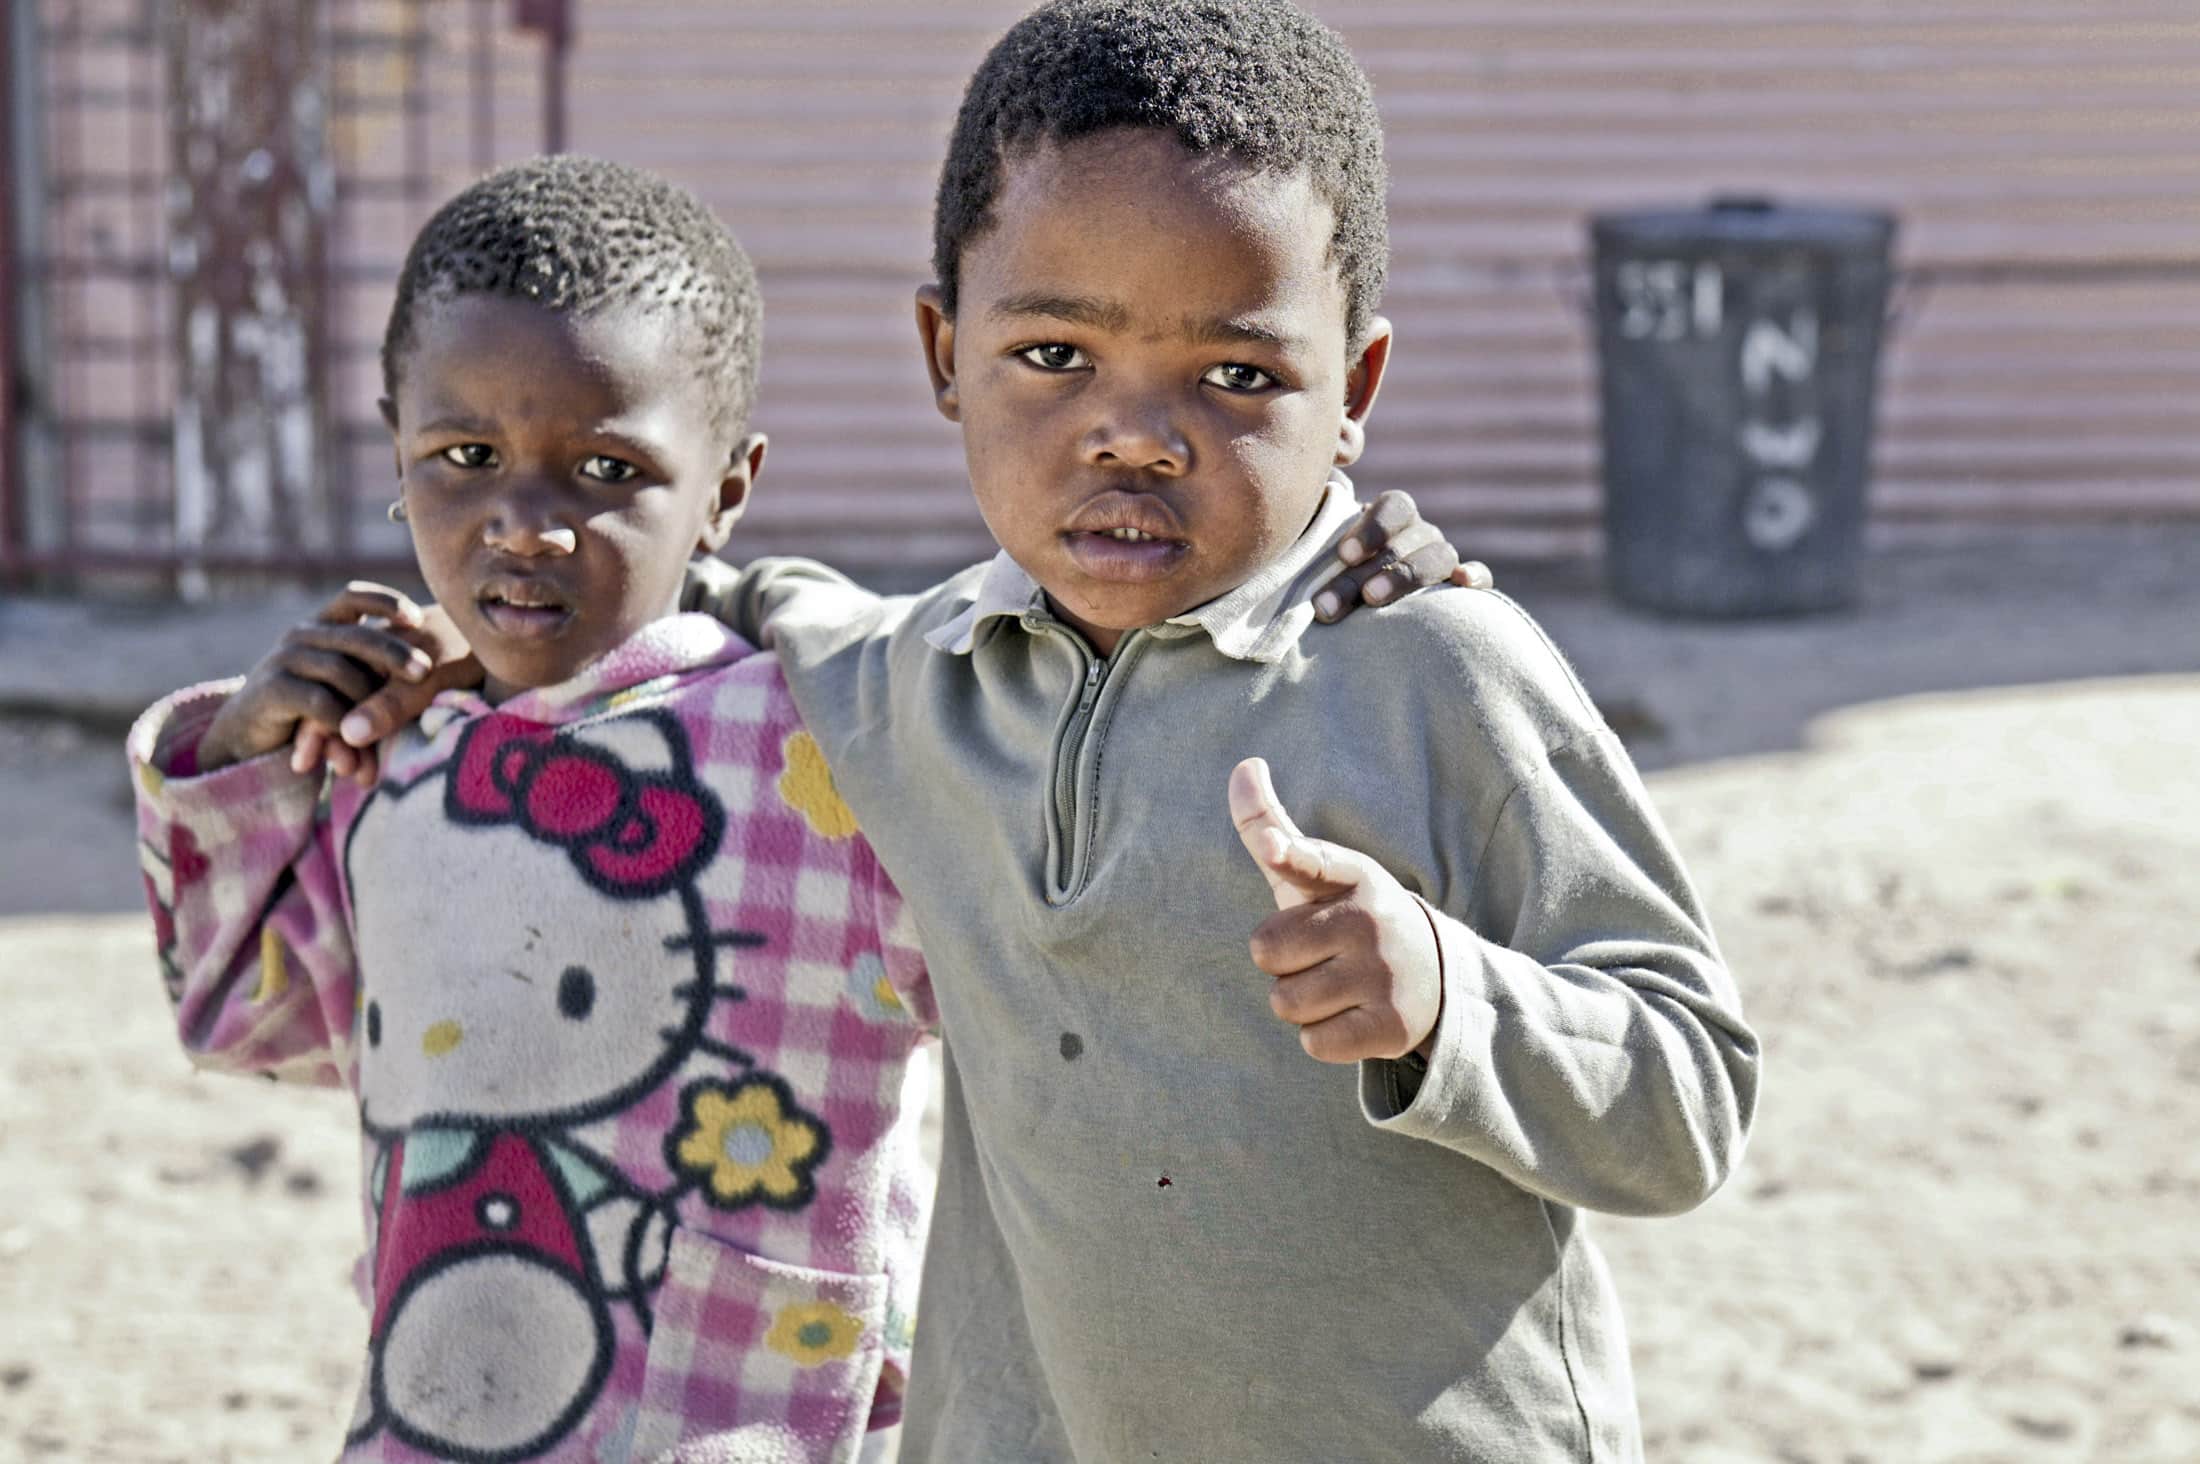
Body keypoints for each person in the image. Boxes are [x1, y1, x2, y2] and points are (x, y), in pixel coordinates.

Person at [332, 4, 1758, 1459]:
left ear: (1355, 394)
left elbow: (1694, 1091)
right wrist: (490, 634)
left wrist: (1453, 1000)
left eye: (1240, 375)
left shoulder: (1437, 671)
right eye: (1056, 353)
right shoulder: (913, 682)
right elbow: (750, 592)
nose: (1134, 434)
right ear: (946, 352)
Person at [129, 155, 940, 1463]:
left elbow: (1038, 979)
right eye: (463, 456)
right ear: (395, 445)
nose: (524, 521)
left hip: (746, 1418)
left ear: (727, 488)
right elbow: (253, 1020)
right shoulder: (390, 756)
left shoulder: (826, 752)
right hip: (449, 1405)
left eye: (606, 469)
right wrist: (245, 752)